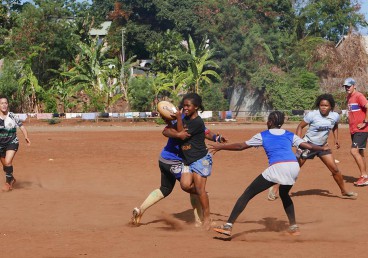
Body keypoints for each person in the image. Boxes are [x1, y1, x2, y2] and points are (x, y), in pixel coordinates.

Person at [208, 111, 330, 237]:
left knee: (248, 194)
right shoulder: (289, 134)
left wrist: (221, 147)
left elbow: (240, 146)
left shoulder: (263, 135)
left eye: (268, 120)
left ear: (270, 122)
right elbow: (307, 145)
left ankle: (228, 226)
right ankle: (294, 227)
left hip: (278, 167)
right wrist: (322, 149)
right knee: (284, 194)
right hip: (293, 166)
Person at [131, 113, 226, 227]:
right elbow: (166, 131)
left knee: (165, 189)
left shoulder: (194, 122)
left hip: (164, 159)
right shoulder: (181, 121)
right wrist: (178, 134)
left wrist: (217, 138)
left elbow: (206, 132)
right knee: (195, 187)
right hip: (174, 161)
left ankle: (140, 210)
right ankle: (199, 221)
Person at [268, 94, 357, 200]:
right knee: (293, 168)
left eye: (326, 105)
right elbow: (300, 126)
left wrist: (336, 138)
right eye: (321, 105)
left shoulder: (335, 116)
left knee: (335, 169)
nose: (323, 107)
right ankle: (274, 189)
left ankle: (344, 191)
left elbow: (335, 125)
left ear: (331, 107)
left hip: (323, 146)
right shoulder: (312, 115)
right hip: (308, 145)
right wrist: (299, 142)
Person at [176, 93, 214, 230]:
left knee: (198, 189)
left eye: (188, 106)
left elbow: (181, 135)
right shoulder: (185, 118)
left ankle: (207, 218)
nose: (185, 108)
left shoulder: (197, 122)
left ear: (196, 107)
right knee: (185, 185)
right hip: (187, 160)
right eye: (184, 105)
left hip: (200, 159)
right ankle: (203, 193)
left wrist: (178, 118)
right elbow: (207, 133)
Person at [0, 96, 31, 192]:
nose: (4, 105)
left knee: (8, 162)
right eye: (2, 103)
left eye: (5, 103)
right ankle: (12, 178)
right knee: (5, 166)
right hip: (1, 145)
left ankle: (8, 183)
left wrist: (26, 136)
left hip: (12, 142)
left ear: (8, 104)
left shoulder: (12, 115)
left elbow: (21, 127)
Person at [343, 78, 368, 186]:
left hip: (361, 130)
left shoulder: (358, 96)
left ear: (354, 86)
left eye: (349, 86)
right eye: (345, 86)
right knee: (360, 152)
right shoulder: (349, 97)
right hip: (354, 130)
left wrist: (365, 122)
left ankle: (364, 176)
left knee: (354, 151)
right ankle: (364, 176)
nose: (347, 88)